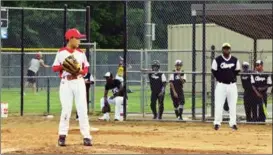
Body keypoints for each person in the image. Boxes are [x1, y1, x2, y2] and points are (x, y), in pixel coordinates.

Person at [52, 28, 92, 146]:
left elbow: (86, 69)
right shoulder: (61, 52)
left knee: (82, 109)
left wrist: (79, 71)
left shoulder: (81, 53)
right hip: (66, 83)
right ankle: (62, 135)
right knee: (66, 109)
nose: (79, 41)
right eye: (78, 38)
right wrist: (64, 66)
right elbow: (54, 68)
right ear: (70, 39)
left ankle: (86, 136)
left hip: (79, 82)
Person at [211, 43, 240, 131]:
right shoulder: (217, 60)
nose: (226, 50)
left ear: (230, 49)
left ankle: (233, 123)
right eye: (224, 48)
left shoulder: (235, 60)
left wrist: (230, 76)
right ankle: (217, 123)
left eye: (227, 48)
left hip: (232, 85)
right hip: (221, 85)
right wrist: (221, 78)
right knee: (219, 104)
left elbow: (237, 71)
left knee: (232, 105)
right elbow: (214, 71)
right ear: (222, 49)